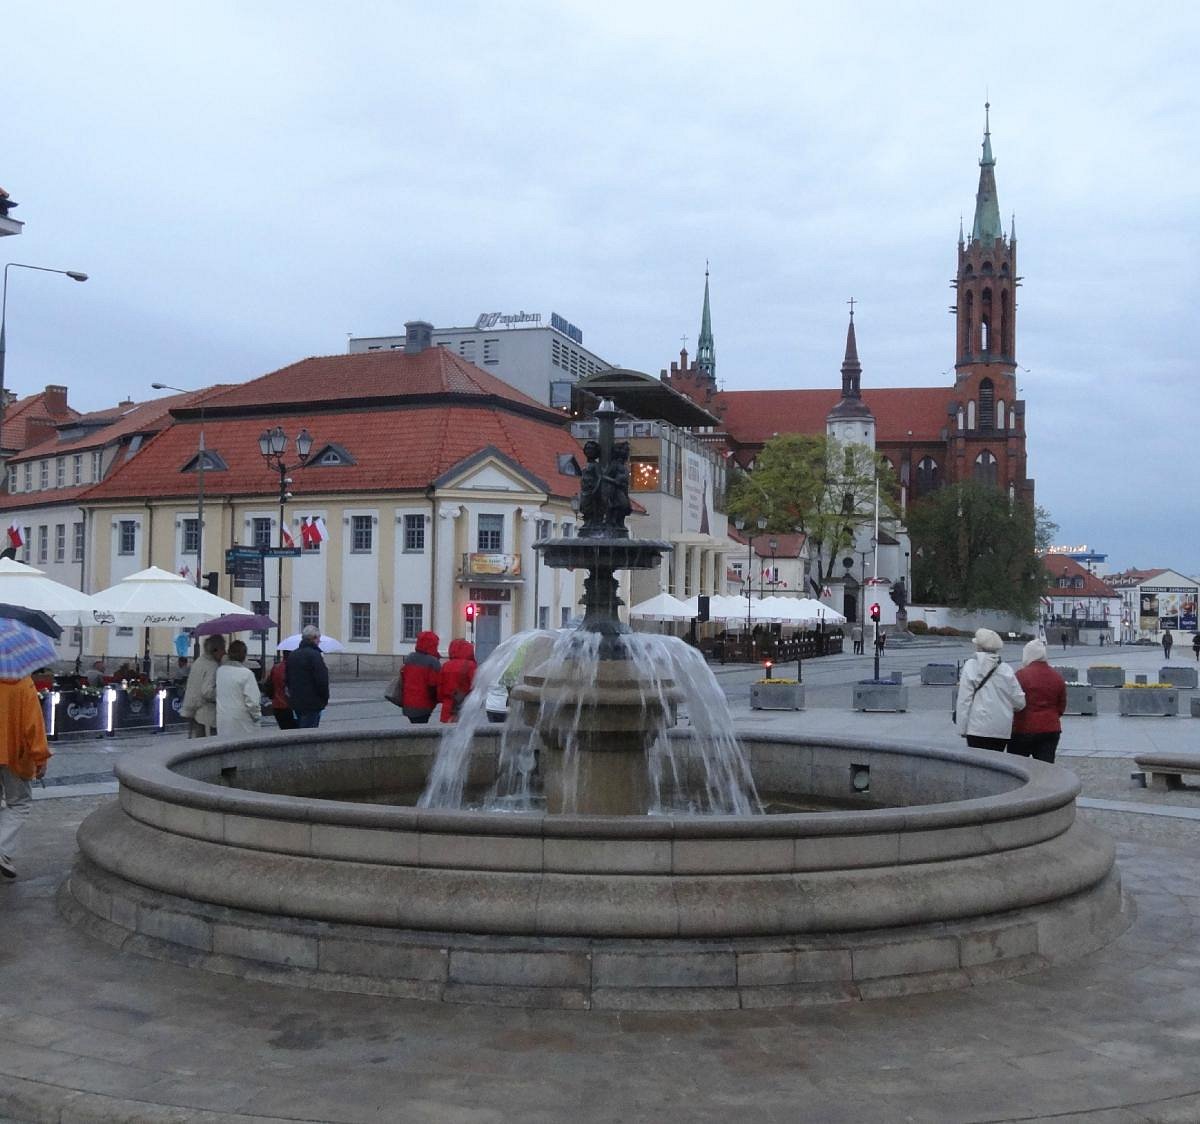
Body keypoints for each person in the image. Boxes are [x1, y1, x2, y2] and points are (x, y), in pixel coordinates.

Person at [0, 675, 51, 879]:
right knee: (19, 803)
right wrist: (40, 757)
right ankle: (2, 848)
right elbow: (33, 724)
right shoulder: (21, 682)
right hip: (14, 754)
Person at [955, 628, 1025, 752]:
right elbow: (1019, 702)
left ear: (978, 646)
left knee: (978, 765)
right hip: (1001, 729)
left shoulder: (970, 666)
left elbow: (964, 700)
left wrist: (962, 728)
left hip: (976, 728)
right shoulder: (1006, 669)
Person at [1009, 638, 1067, 764]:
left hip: (1023, 728)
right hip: (1050, 728)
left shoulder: (1020, 675)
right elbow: (1061, 706)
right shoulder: (1057, 677)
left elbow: (1013, 701)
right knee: (1045, 769)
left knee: (1017, 767)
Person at [179, 635, 224, 738]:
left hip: (192, 710)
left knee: (194, 744)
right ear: (216, 650)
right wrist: (222, 692)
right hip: (205, 713)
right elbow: (207, 692)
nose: (224, 653)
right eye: (223, 649)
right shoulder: (212, 665)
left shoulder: (199, 661)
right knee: (207, 746)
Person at [285, 625, 329, 728]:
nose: (319, 641)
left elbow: (287, 679)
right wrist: (324, 699)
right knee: (309, 732)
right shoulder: (315, 655)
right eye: (319, 639)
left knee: (300, 728)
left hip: (296, 701)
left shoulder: (293, 655)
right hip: (313, 702)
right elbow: (322, 680)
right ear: (314, 638)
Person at [215, 640, 261, 738]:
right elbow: (252, 703)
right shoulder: (247, 674)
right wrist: (257, 717)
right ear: (244, 655)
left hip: (223, 721)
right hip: (243, 722)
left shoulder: (220, 671)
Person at [397, 630, 441, 724]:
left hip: (408, 704)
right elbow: (433, 685)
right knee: (421, 727)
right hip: (424, 705)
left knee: (415, 725)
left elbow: (403, 679)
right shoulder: (432, 662)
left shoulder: (409, 658)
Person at [438, 638, 477, 723]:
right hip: (464, 706)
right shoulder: (471, 666)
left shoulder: (445, 665)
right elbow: (475, 687)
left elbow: (440, 689)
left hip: (447, 707)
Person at [263, 653, 297, 729]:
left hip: (277, 705)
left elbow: (269, 685)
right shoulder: (292, 668)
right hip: (289, 706)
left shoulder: (276, 667)